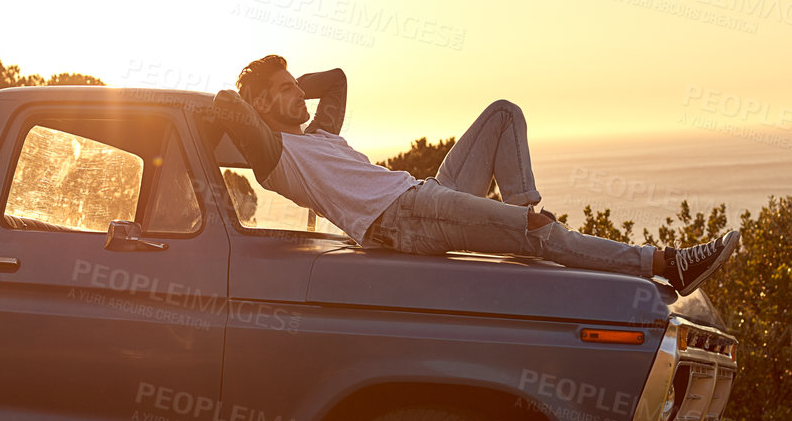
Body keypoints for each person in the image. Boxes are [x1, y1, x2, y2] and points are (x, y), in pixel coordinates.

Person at [211, 54, 740, 297]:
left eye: (294, 86)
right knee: (536, 232)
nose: (297, 94)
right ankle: (668, 265)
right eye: (282, 91)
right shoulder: (275, 157)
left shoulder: (319, 134)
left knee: (504, 113)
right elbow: (227, 104)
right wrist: (260, 103)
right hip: (404, 218)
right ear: (260, 105)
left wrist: (291, 84)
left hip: (427, 196)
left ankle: (521, 221)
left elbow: (338, 80)